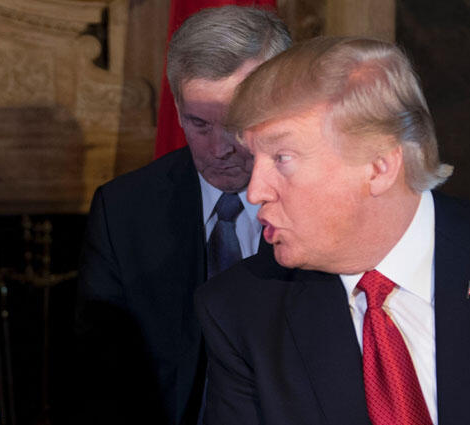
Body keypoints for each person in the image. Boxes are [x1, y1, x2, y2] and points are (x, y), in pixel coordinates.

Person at [195, 36, 470, 425]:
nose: (254, 192)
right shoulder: (240, 312)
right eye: (255, 159)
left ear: (379, 167)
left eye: (282, 158)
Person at [74, 6, 290, 424]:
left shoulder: (318, 200)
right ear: (175, 107)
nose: (219, 148)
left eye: (236, 124)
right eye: (199, 124)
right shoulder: (124, 210)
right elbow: (100, 379)